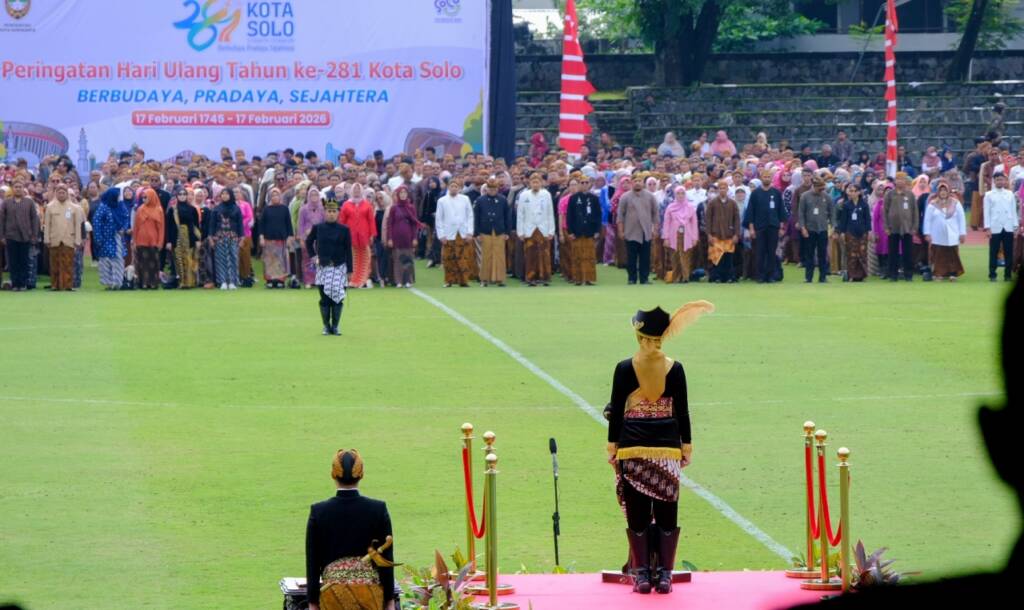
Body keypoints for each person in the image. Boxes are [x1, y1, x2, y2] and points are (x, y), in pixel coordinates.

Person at [606, 302, 714, 595]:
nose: (650, 345)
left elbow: (679, 411)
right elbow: (620, 410)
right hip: (650, 446)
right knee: (652, 509)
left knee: (653, 510)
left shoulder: (648, 369)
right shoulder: (648, 368)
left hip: (650, 446)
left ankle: (652, 573)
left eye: (653, 340)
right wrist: (613, 445)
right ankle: (652, 573)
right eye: (650, 340)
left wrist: (686, 445)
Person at [305, 449, 396, 610]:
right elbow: (386, 560)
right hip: (370, 597)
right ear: (361, 474)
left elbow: (313, 562)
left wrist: (313, 602)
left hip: (333, 596)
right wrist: (389, 600)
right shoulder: (378, 509)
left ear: (333, 474)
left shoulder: (318, 511)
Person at [305, 200, 352, 335]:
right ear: (325, 212)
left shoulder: (344, 230)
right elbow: (308, 242)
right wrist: (314, 257)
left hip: (339, 268)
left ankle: (335, 326)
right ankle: (326, 326)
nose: (331, 214)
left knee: (338, 298)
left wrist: (350, 270)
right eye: (329, 211)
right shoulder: (318, 228)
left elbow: (348, 250)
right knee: (325, 299)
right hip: (323, 268)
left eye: (334, 211)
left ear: (338, 213)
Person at [745, 173, 787, 283]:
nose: (766, 178)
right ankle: (760, 275)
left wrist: (781, 227)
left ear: (771, 178)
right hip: (759, 227)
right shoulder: (755, 193)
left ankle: (771, 276)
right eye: (765, 176)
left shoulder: (776, 193)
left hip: (773, 226)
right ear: (761, 178)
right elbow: (750, 212)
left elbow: (781, 211)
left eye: (768, 177)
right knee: (760, 252)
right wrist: (751, 228)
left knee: (772, 252)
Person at [42, 183, 85, 291]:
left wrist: (77, 240)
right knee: (54, 264)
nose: (61, 194)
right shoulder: (50, 207)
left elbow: (77, 225)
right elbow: (47, 225)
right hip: (54, 239)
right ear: (56, 193)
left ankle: (68, 285)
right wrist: (46, 239)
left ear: (67, 194)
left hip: (68, 238)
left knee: (68, 263)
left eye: (63, 192)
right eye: (59, 192)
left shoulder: (75, 208)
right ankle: (55, 285)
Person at [617, 175, 659, 285]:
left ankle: (644, 278)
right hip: (630, 231)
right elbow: (620, 215)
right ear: (632, 183)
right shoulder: (625, 197)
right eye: (635, 181)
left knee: (645, 257)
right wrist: (621, 231)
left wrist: (655, 229)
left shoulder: (650, 196)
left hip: (646, 231)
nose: (637, 183)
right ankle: (632, 278)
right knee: (631, 258)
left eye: (639, 181)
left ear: (643, 183)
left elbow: (655, 214)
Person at [0, 179, 40, 291]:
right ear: (13, 188)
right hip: (10, 236)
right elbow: (2, 220)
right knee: (12, 262)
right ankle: (15, 283)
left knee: (24, 261)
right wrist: (2, 236)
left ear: (23, 189)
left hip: (25, 236)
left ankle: (22, 283)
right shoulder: (6, 203)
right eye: (16, 186)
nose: (18, 189)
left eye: (20, 187)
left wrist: (34, 235)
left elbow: (34, 219)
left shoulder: (29, 202)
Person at [923, 181, 967, 281]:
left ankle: (953, 274)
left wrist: (962, 233)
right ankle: (939, 274)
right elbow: (927, 220)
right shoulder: (933, 204)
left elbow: (961, 218)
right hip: (937, 235)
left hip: (953, 234)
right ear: (937, 192)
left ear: (948, 191)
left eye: (945, 190)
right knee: (939, 254)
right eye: (941, 190)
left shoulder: (955, 203)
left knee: (953, 254)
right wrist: (927, 233)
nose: (943, 192)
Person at [517, 173, 555, 286]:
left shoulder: (546, 194)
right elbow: (520, 214)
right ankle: (530, 278)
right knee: (530, 254)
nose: (535, 184)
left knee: (544, 254)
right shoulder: (524, 195)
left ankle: (545, 277)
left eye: (537, 181)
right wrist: (520, 232)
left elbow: (550, 213)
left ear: (541, 183)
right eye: (533, 182)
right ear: (529, 183)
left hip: (543, 228)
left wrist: (551, 231)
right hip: (529, 229)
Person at [435, 179, 475, 287]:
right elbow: (439, 219)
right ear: (448, 187)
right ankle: (449, 281)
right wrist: (441, 235)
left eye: (456, 186)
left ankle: (464, 280)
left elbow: (470, 216)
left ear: (459, 188)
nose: (454, 188)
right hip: (448, 233)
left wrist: (470, 232)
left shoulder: (465, 199)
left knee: (463, 257)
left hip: (462, 232)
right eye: (452, 186)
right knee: (449, 258)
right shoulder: (442, 201)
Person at [567, 174, 602, 286]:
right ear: (579, 184)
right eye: (582, 183)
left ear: (590, 184)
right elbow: (569, 216)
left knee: (589, 256)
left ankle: (589, 278)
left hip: (590, 231)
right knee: (577, 255)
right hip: (577, 231)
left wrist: (597, 231)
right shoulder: (573, 198)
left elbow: (598, 216)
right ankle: (578, 278)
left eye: (586, 182)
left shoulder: (594, 198)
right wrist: (570, 232)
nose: (584, 185)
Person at [474, 178, 510, 287]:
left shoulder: (503, 200)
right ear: (487, 189)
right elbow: (476, 218)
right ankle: (484, 279)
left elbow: (507, 217)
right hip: (485, 230)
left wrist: (507, 232)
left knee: (499, 255)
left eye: (494, 188)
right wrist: (477, 233)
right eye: (490, 188)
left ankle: (500, 279)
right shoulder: (480, 200)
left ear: (497, 189)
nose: (492, 190)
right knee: (486, 256)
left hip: (499, 230)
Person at [340, 184, 377, 288]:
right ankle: (352, 280)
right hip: (350, 235)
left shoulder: (366, 204)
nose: (356, 191)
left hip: (364, 235)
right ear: (351, 191)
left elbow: (371, 221)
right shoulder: (346, 204)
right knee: (352, 258)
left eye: (358, 189)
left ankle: (363, 280)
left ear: (361, 191)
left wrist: (372, 234)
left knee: (365, 257)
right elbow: (342, 221)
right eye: (354, 189)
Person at [798, 176, 834, 283]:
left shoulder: (827, 197)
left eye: (823, 187)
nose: (822, 190)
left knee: (822, 254)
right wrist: (803, 228)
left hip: (822, 229)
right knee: (809, 254)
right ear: (814, 186)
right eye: (820, 188)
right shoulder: (805, 196)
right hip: (809, 229)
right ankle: (808, 277)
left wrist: (832, 227)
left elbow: (832, 213)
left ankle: (823, 277)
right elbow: (801, 213)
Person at [383, 185, 420, 288]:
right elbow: (390, 224)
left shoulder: (411, 207)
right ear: (398, 195)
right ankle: (398, 281)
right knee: (398, 259)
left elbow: (414, 224)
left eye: (405, 193)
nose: (403, 195)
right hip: (396, 237)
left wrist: (415, 238)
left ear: (407, 194)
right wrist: (389, 238)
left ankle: (408, 280)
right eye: (401, 193)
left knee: (408, 259)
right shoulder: (394, 208)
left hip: (408, 237)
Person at [984, 173, 1018, 282]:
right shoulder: (989, 194)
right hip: (995, 226)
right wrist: (987, 227)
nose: (1000, 182)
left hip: (1008, 226)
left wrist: (1015, 226)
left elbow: (1013, 211)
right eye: (997, 180)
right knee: (993, 251)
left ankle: (1007, 275)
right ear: (994, 181)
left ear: (1005, 181)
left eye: (1001, 180)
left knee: (1009, 252)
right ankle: (992, 274)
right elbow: (986, 212)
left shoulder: (1010, 194)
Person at [883, 173, 917, 281]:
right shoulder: (890, 194)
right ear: (895, 181)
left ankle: (908, 274)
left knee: (908, 252)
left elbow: (915, 212)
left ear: (905, 181)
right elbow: (885, 211)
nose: (900, 181)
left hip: (907, 227)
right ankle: (893, 275)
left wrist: (914, 227)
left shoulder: (910, 195)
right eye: (898, 179)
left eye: (902, 179)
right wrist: (886, 227)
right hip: (893, 228)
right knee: (893, 252)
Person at [704, 180, 740, 283]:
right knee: (717, 258)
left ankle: (729, 277)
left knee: (728, 258)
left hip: (729, 235)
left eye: (724, 188)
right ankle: (717, 277)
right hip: (716, 235)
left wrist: (736, 234)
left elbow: (736, 219)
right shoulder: (712, 203)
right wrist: (709, 234)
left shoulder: (732, 203)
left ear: (727, 190)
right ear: (718, 190)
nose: (722, 190)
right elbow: (708, 220)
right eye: (720, 188)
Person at [661, 186, 699, 283]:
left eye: (682, 193)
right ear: (675, 195)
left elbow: (694, 223)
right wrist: (666, 237)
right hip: (673, 234)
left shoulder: (690, 207)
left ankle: (685, 277)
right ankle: (676, 277)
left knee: (686, 256)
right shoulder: (670, 207)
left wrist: (695, 238)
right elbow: (666, 223)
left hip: (687, 235)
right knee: (675, 256)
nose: (680, 195)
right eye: (678, 193)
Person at [165, 186, 200, 289]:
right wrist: (168, 241)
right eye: (180, 194)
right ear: (176, 196)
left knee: (189, 259)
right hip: (177, 237)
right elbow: (169, 226)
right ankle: (181, 282)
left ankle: (190, 282)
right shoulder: (172, 210)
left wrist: (198, 240)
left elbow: (196, 225)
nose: (182, 196)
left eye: (184, 194)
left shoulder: (192, 209)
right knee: (179, 260)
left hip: (189, 237)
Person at [836, 183, 871, 282]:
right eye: (850, 191)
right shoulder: (846, 205)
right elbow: (843, 220)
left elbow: (867, 219)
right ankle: (852, 275)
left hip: (862, 232)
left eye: (854, 191)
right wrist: (842, 232)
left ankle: (861, 275)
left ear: (859, 192)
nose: (852, 193)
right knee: (851, 254)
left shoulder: (864, 205)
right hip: (850, 232)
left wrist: (869, 231)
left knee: (862, 253)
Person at [259, 187, 294, 288]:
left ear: (280, 196)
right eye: (273, 195)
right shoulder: (266, 209)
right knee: (269, 260)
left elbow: (288, 224)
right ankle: (270, 280)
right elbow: (261, 225)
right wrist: (261, 237)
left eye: (277, 195)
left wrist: (289, 237)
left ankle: (280, 280)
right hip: (268, 239)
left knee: (281, 261)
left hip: (281, 239)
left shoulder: (284, 209)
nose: (275, 197)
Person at [210, 187, 243, 290]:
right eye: (222, 194)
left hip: (233, 236)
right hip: (219, 236)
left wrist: (241, 238)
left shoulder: (236, 208)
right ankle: (222, 281)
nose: (224, 196)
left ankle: (232, 281)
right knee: (220, 258)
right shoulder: (216, 208)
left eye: (226, 194)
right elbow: (212, 224)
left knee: (233, 257)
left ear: (231, 195)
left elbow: (240, 224)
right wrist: (211, 237)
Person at [298, 187, 325, 288]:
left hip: (319, 237)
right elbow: (300, 224)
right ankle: (308, 280)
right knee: (307, 259)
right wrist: (301, 238)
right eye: (312, 195)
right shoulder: (303, 209)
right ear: (308, 196)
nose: (314, 197)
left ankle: (318, 280)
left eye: (316, 195)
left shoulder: (323, 208)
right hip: (307, 238)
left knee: (319, 259)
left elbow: (325, 222)